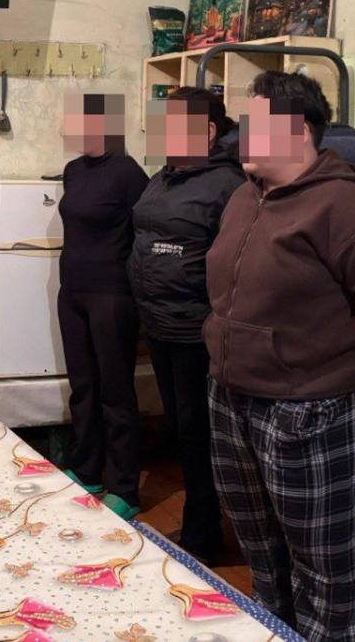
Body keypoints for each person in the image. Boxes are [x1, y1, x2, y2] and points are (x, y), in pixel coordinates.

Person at [204, 71, 355, 642]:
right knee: (257, 537)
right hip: (231, 394)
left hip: (308, 404)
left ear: (298, 130)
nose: (241, 136)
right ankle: (272, 628)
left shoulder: (348, 208)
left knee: (321, 554)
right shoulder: (242, 196)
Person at [128, 87, 243, 560]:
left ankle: (204, 537)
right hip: (159, 323)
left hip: (195, 330)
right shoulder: (165, 177)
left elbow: (233, 263)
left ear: (208, 132)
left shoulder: (227, 185)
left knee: (199, 435)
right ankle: (200, 527)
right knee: (182, 430)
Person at [58, 93, 149, 519]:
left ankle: (125, 488)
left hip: (111, 295)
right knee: (83, 387)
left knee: (115, 391)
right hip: (72, 292)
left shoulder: (128, 173)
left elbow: (143, 233)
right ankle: (87, 470)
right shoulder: (73, 171)